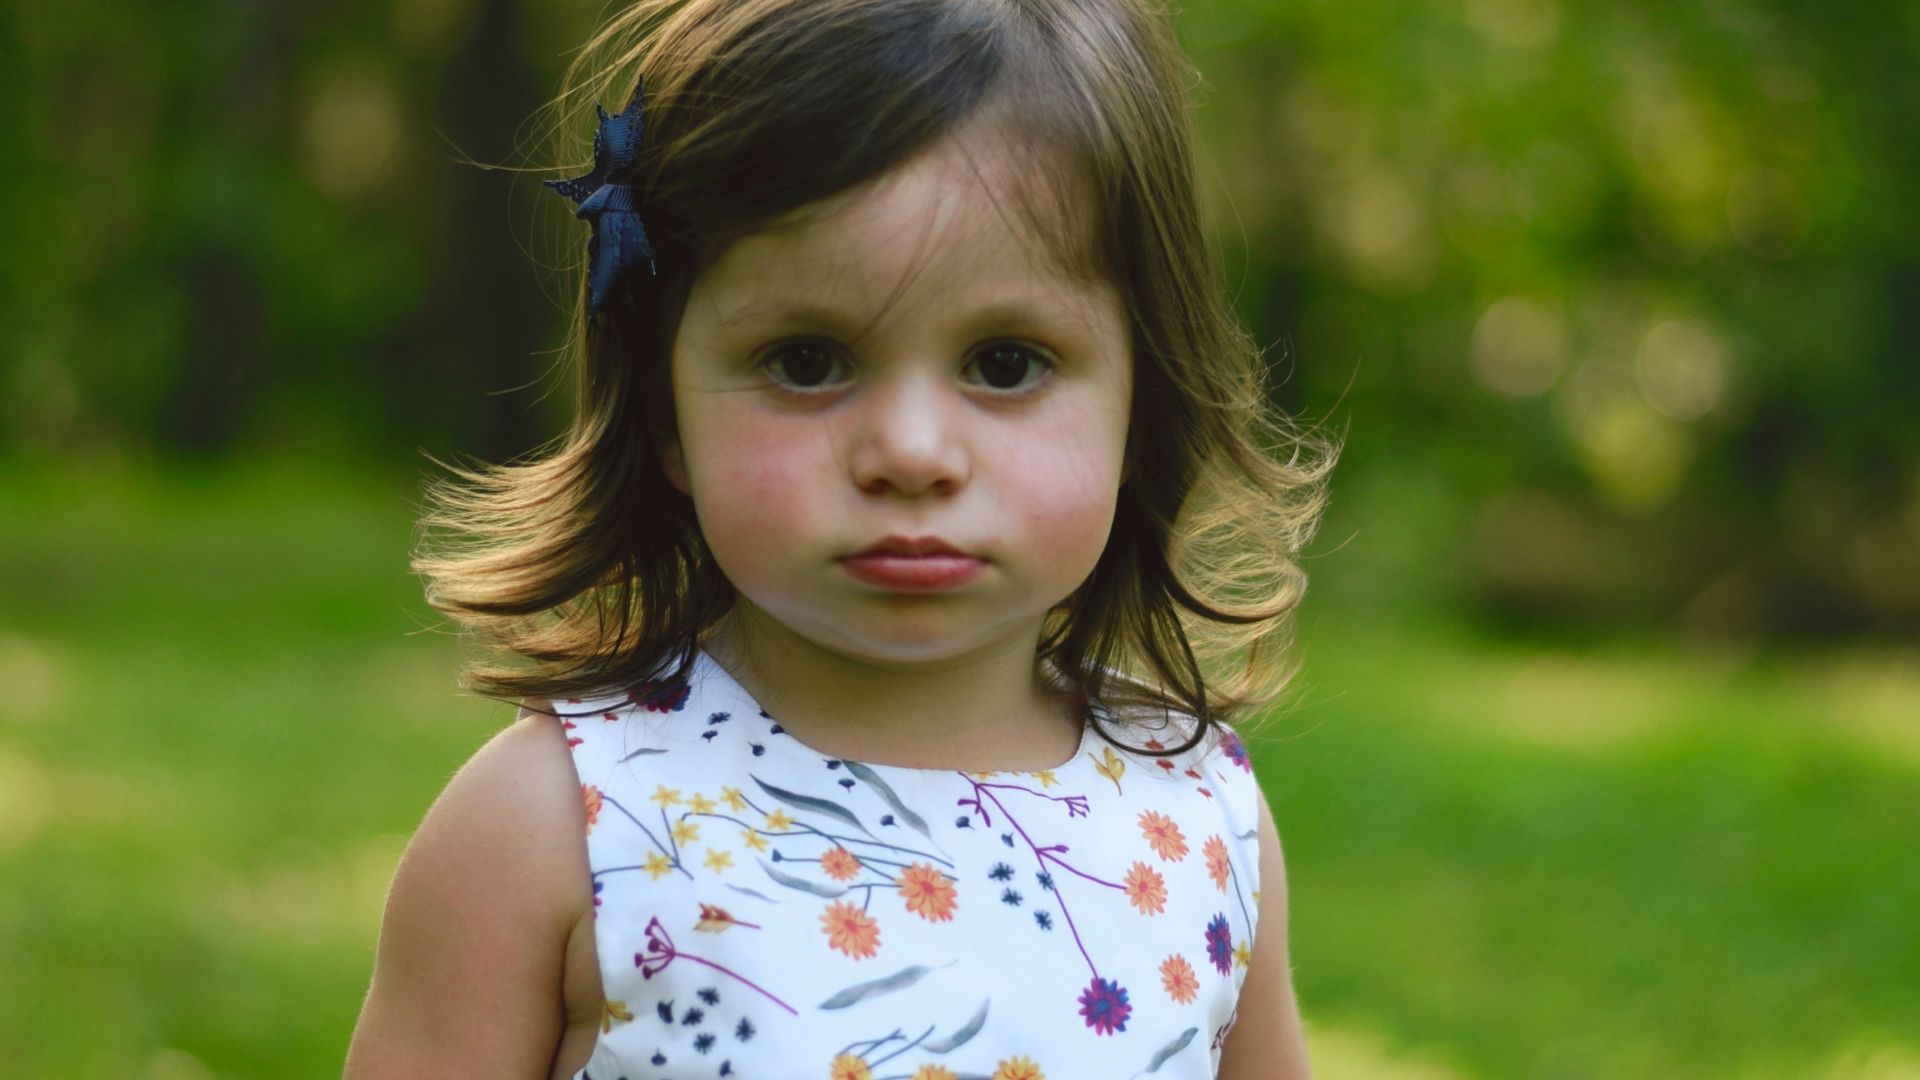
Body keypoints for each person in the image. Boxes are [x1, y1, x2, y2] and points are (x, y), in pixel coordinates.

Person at [345, 0, 1333, 1075]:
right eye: (807, 361)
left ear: (1145, 406)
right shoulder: (557, 827)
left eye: (1006, 363)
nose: (911, 452)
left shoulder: (1198, 815)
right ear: (665, 412)